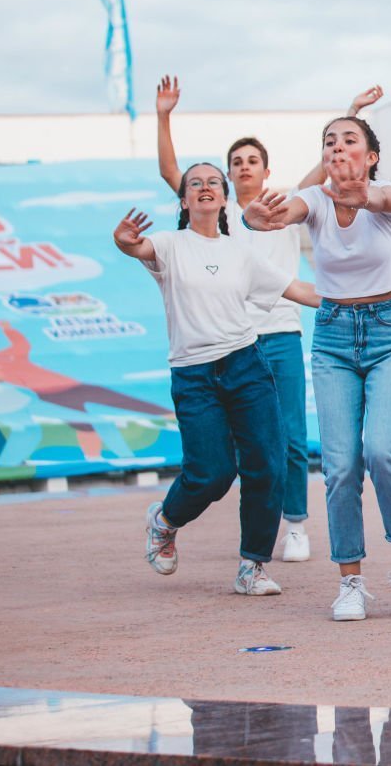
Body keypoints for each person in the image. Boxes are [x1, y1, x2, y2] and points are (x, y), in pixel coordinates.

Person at [154, 77, 381, 563]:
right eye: (236, 162)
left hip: (280, 334)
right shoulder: (217, 216)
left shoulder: (286, 202)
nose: (244, 167)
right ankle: (248, 535)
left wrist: (353, 110)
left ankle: (295, 525)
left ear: (266, 169)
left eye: (252, 160)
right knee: (242, 452)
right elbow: (173, 172)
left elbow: (331, 162)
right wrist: (164, 116)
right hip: (233, 343)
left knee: (292, 437)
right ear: (226, 176)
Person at [241, 117, 391, 622]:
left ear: (371, 156)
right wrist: (256, 218)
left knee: (381, 450)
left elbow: (382, 200)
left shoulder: (388, 196)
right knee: (340, 464)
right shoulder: (314, 200)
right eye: (329, 141)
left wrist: (363, 193)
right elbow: (283, 212)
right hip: (332, 336)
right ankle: (350, 581)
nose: (337, 147)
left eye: (349, 140)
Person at [116, 163, 318, 595]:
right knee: (212, 473)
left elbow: (298, 290)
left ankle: (252, 566)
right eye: (195, 183)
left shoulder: (240, 253)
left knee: (267, 464)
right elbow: (135, 247)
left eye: (213, 182)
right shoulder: (169, 245)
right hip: (194, 373)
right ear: (184, 200)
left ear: (225, 198)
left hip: (246, 364)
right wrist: (124, 240)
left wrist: (361, 298)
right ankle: (165, 520)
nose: (205, 187)